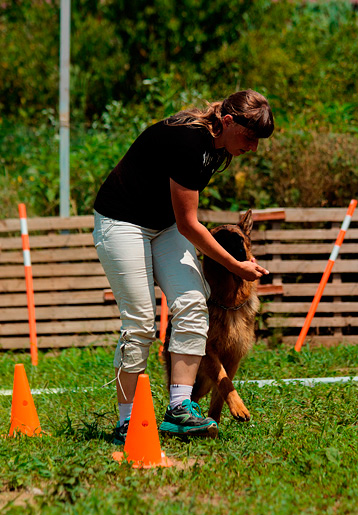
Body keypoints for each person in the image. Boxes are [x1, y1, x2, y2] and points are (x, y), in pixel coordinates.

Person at [92, 89, 274, 443]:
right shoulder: (190, 143)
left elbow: (181, 218)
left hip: (163, 225)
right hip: (121, 221)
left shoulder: (217, 147)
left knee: (193, 304)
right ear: (228, 121)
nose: (253, 148)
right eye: (250, 138)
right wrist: (237, 266)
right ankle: (127, 422)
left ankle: (179, 410)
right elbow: (191, 224)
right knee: (141, 322)